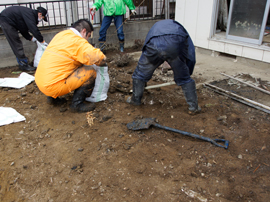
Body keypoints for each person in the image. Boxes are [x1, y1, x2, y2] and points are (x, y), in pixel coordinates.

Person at [128, 19, 201, 114]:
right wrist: (187, 73)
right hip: (175, 44)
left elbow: (145, 48)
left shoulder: (155, 27)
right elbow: (191, 55)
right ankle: (193, 107)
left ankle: (136, 100)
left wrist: (144, 75)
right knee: (185, 78)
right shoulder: (181, 30)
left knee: (140, 74)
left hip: (154, 44)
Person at [35, 19, 106, 113]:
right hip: (53, 86)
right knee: (90, 72)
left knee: (64, 65)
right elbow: (99, 58)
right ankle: (77, 104)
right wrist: (103, 58)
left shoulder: (61, 35)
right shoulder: (77, 41)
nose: (87, 40)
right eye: (88, 36)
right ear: (84, 31)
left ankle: (52, 98)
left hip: (40, 80)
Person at [0, 6, 49, 71]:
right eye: (42, 18)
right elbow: (33, 29)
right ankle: (23, 64)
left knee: (16, 42)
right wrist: (42, 41)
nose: (41, 20)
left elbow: (23, 29)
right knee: (16, 43)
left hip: (9, 21)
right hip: (7, 21)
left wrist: (31, 38)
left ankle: (23, 63)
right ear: (40, 14)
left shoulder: (29, 15)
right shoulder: (30, 14)